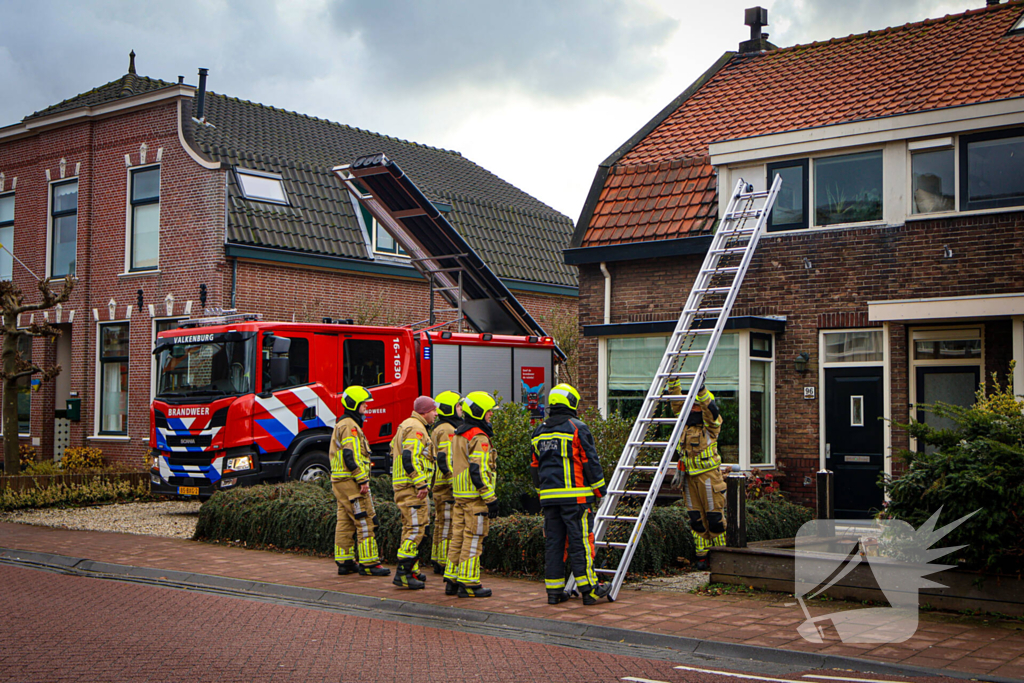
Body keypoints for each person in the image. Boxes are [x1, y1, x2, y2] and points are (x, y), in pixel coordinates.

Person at [530, 383, 610, 605]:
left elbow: (534, 467)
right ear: (572, 402)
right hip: (576, 499)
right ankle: (590, 590)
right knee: (580, 542)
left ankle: (554, 592)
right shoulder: (577, 428)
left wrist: (542, 493)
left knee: (554, 543)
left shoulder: (539, 431)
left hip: (549, 500)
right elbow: (589, 461)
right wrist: (600, 490)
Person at [330, 385, 390, 577]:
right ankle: (369, 563)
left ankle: (345, 561)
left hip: (341, 481)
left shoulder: (343, 424)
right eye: (364, 404)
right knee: (364, 519)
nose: (366, 408)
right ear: (354, 404)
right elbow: (350, 455)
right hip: (351, 481)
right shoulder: (350, 426)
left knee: (345, 520)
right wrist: (362, 479)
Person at [445, 391, 499, 598]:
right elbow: (478, 470)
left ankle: (452, 578)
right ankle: (469, 583)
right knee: (474, 537)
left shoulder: (459, 433)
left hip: (460, 495)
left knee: (457, 536)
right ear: (478, 412)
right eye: (488, 412)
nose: (490, 416)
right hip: (475, 498)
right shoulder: (478, 436)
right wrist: (490, 498)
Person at [668, 381, 725, 571]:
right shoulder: (683, 424)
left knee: (714, 518)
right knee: (696, 519)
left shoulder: (711, 425)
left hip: (709, 478)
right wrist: (673, 382)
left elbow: (710, 410)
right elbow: (676, 404)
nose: (691, 408)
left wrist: (701, 391)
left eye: (695, 405)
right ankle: (702, 556)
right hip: (689, 478)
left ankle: (720, 555)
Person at [391, 396, 437, 589]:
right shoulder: (417, 428)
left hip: (405, 487)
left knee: (409, 528)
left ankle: (412, 570)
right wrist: (420, 484)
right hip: (412, 489)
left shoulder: (407, 424)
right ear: (425, 411)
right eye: (434, 410)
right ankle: (403, 573)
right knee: (416, 530)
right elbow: (409, 457)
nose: (436, 414)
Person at [429, 391, 462, 576]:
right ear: (449, 408)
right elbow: (445, 459)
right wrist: (453, 482)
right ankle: (443, 562)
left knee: (441, 523)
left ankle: (438, 558)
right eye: (458, 406)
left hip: (440, 485)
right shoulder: (448, 430)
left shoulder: (440, 427)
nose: (461, 410)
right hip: (446, 487)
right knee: (447, 525)